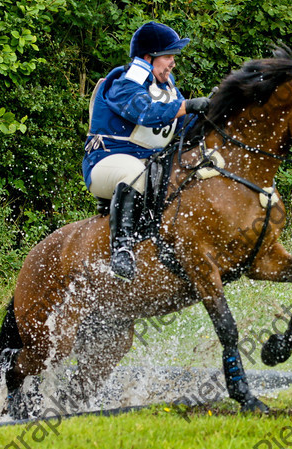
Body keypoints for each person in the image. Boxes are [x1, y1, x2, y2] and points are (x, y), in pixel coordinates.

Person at [82, 21, 210, 281]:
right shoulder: (123, 83)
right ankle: (122, 250)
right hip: (105, 162)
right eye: (168, 56)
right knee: (135, 173)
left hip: (147, 162)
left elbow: (186, 123)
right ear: (148, 57)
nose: (173, 62)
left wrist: (215, 111)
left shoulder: (166, 86)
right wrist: (188, 105)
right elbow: (146, 113)